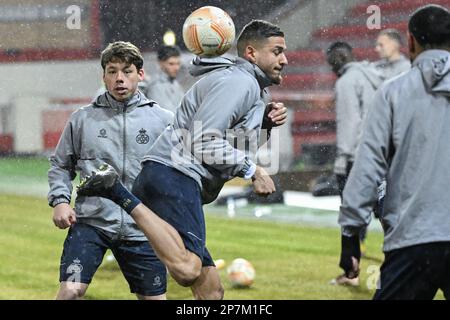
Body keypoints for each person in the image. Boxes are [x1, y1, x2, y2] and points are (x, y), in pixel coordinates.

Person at [77, 20, 288, 300]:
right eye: (277, 51)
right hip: (174, 174)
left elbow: (233, 143)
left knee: (211, 292)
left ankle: (121, 193)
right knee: (188, 270)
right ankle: (117, 191)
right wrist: (253, 170)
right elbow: (203, 140)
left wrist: (264, 125)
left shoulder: (253, 88)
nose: (284, 59)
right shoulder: (240, 83)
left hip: (171, 175)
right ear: (251, 53)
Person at [338, 4, 450, 300]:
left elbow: (368, 167)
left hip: (413, 239)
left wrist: (350, 234)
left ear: (410, 42)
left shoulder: (393, 92)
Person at [48, 41, 174, 300]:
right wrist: (60, 201)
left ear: (140, 74)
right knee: (70, 291)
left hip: (144, 227)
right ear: (103, 75)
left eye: (127, 71)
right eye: (112, 71)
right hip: (91, 224)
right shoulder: (82, 119)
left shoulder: (163, 120)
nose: (120, 78)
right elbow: (61, 164)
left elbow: (181, 170)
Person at [326, 41, 384, 286]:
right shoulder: (377, 77)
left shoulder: (347, 82)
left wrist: (342, 158)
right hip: (382, 155)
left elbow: (349, 123)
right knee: (387, 212)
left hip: (357, 159)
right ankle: (405, 262)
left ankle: (351, 271)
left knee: (350, 214)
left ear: (336, 60)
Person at [142, 45, 185, 113]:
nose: (176, 68)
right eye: (171, 64)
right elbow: (167, 115)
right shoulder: (156, 86)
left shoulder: (175, 84)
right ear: (161, 63)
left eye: (178, 63)